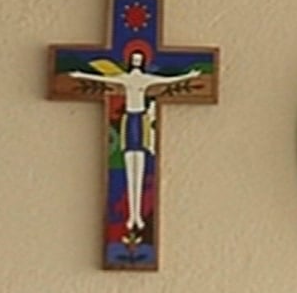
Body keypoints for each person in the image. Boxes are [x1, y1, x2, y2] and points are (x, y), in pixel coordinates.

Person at [70, 40, 201, 232]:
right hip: (128, 120)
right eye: (134, 59)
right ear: (130, 61)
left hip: (141, 121)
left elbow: (166, 81)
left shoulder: (146, 79)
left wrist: (189, 75)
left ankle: (137, 216)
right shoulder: (124, 78)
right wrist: (80, 74)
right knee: (128, 163)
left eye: (140, 59)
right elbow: (103, 80)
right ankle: (131, 216)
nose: (137, 62)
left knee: (140, 163)